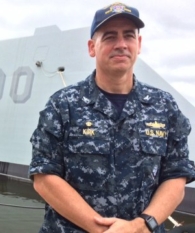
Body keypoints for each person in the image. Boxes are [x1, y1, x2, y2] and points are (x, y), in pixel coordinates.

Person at [29, 2, 195, 233]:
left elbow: (176, 176)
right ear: (91, 47)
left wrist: (141, 226)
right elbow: (44, 176)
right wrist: (102, 230)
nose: (121, 44)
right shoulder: (62, 104)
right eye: (109, 37)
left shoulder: (164, 106)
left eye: (128, 36)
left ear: (139, 44)